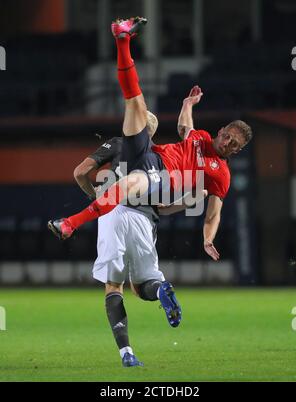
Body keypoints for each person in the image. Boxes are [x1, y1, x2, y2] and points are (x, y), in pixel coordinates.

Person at [48, 16, 253, 262]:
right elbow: (184, 126)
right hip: (149, 154)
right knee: (136, 104)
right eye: (228, 136)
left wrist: (208, 238)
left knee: (125, 187)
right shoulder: (202, 137)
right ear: (221, 131)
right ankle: (122, 39)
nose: (228, 143)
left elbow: (213, 214)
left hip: (163, 177)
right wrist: (187, 104)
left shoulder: (221, 173)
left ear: (237, 151)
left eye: (234, 144)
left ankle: (70, 224)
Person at [72, 133, 206, 367]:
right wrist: (189, 200)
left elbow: (80, 172)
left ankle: (126, 353)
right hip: (144, 219)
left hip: (113, 212)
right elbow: (162, 208)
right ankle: (160, 290)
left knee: (114, 286)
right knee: (143, 286)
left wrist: (97, 199)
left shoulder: (119, 143)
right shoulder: (161, 157)